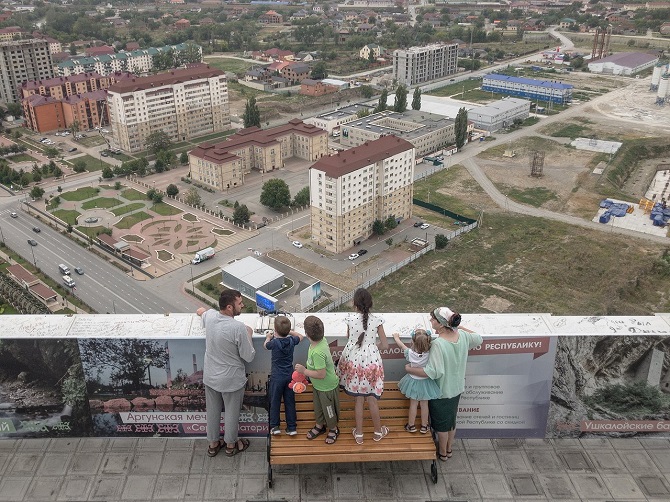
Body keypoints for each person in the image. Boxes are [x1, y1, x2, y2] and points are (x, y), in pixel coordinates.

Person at [404, 307, 482, 461]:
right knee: (451, 421)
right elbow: (478, 338)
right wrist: (456, 326)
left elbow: (433, 372)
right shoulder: (463, 336)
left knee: (441, 425)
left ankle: (443, 453)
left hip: (441, 392)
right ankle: (449, 449)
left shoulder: (439, 344)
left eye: (433, 319)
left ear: (440, 324)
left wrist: (409, 369)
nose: (431, 321)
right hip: (457, 388)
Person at [197, 289, 255, 457]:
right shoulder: (238, 328)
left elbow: (201, 312)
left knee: (213, 411)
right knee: (231, 413)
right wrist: (249, 333)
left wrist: (201, 312)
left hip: (210, 376)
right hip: (231, 379)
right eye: (240, 303)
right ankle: (231, 445)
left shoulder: (211, 316)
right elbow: (248, 356)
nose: (243, 305)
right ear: (230, 307)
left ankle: (213, 444)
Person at [337, 288, 389, 444]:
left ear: (355, 303)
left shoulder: (350, 319)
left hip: (354, 361)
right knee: (372, 400)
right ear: (370, 303)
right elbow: (385, 345)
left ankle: (359, 434)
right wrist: (372, 348)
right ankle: (378, 432)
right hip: (371, 363)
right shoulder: (377, 320)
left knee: (358, 400)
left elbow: (349, 337)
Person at [294, 315, 340, 444]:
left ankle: (333, 428)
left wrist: (304, 371)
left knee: (328, 410)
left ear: (307, 334)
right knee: (318, 408)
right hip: (318, 386)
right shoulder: (321, 340)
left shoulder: (317, 352)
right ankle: (320, 425)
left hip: (327, 387)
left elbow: (321, 374)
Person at [393, 329, 441, 434]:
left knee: (413, 404)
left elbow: (401, 346)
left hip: (413, 381)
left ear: (413, 342)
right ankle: (424, 426)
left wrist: (396, 337)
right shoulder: (430, 353)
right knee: (424, 405)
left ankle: (411, 425)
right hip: (426, 382)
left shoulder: (410, 353)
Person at [264, 315, 304, 436]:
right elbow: (300, 337)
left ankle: (275, 426)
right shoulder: (292, 341)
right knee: (290, 402)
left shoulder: (274, 343)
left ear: (275, 330)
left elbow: (265, 346)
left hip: (277, 377)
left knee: (275, 401)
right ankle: (291, 427)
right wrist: (289, 331)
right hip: (289, 376)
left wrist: (268, 337)